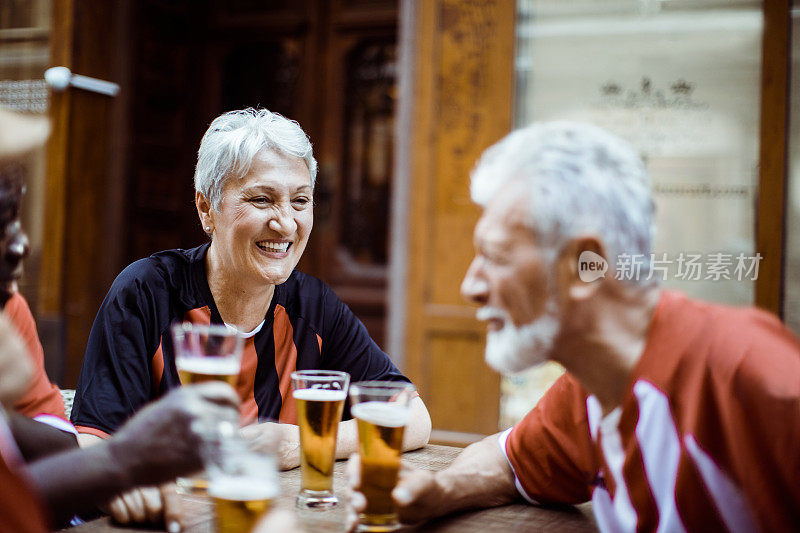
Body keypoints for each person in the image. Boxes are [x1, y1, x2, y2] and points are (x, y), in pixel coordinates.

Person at [348, 122, 800, 531]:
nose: (471, 286)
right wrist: (438, 493)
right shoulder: (592, 385)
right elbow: (509, 464)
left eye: (498, 256)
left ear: (589, 265)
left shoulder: (751, 375)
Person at [71, 108, 431, 524]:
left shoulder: (313, 306)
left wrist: (302, 443)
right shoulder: (146, 292)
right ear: (207, 209)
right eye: (262, 199)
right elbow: (95, 440)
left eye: (300, 201)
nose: (286, 223)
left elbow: (415, 418)